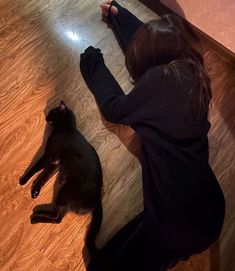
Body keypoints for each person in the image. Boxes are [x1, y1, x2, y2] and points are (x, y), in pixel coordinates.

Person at [80, 1, 225, 270]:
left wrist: (92, 61)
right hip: (207, 206)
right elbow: (159, 41)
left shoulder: (156, 85)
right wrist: (118, 15)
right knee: (103, 260)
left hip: (178, 229)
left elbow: (114, 108)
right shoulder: (193, 68)